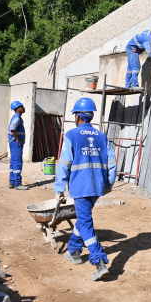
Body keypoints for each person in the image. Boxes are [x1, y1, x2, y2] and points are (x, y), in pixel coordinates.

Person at [54, 97, 117, 281]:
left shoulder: (71, 135)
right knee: (83, 219)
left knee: (86, 223)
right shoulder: (101, 136)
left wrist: (59, 188)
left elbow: (64, 163)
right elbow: (112, 163)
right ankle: (73, 250)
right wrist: (108, 185)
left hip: (81, 187)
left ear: (78, 117)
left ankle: (99, 261)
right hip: (97, 187)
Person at [8, 101, 28, 190]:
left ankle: (12, 182)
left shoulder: (16, 117)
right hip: (16, 143)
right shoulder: (17, 117)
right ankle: (17, 183)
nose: (23, 108)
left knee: (13, 163)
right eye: (22, 106)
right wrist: (18, 139)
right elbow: (13, 128)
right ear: (18, 109)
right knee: (17, 163)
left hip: (13, 143)